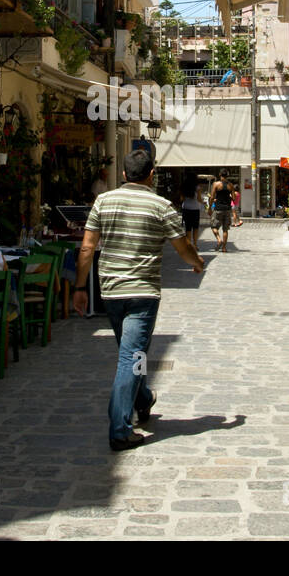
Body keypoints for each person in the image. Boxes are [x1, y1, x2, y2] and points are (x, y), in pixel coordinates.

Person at [74, 148, 204, 451]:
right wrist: (197, 262)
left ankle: (143, 398)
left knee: (131, 352)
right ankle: (120, 429)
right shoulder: (161, 206)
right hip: (143, 292)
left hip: (111, 291)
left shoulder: (103, 201)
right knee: (131, 357)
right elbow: (182, 246)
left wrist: (80, 287)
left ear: (123, 174)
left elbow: (87, 247)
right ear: (151, 175)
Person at [209, 169, 235, 252]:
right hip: (227, 209)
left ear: (220, 174)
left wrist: (209, 207)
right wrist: (228, 197)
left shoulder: (216, 184)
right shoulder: (231, 185)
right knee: (225, 229)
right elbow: (234, 198)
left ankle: (219, 239)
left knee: (213, 226)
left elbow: (212, 197)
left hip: (218, 209)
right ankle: (224, 248)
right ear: (227, 175)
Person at [180, 178, 202, 250]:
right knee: (195, 228)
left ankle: (189, 245)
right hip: (195, 209)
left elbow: (181, 199)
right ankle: (195, 245)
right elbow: (199, 199)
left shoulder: (184, 187)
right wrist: (203, 202)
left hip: (186, 209)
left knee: (188, 228)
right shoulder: (197, 188)